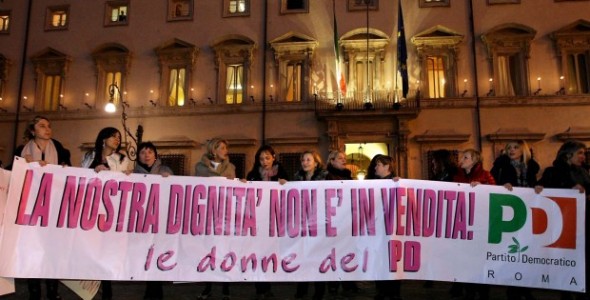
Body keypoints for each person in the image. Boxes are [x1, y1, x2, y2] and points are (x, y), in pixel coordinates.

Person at [16, 116, 70, 300]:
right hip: (30, 210)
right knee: (33, 250)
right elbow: (13, 175)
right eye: (42, 126)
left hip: (53, 209)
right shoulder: (21, 151)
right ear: (32, 131)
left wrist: (64, 167)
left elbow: (68, 170)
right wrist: (25, 164)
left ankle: (53, 292)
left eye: (49, 126)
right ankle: (34, 292)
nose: (47, 129)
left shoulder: (59, 149)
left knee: (52, 250)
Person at [81, 127, 131, 300]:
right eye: (113, 136)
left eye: (119, 137)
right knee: (92, 248)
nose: (117, 139)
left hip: (111, 211)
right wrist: (93, 171)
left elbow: (122, 181)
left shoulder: (121, 158)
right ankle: (91, 285)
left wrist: (126, 175)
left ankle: (106, 288)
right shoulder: (89, 156)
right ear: (103, 138)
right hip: (92, 209)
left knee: (107, 249)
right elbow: (81, 176)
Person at [538, 140, 590, 300]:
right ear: (568, 154)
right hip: (562, 224)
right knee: (565, 258)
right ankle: (566, 292)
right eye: (580, 153)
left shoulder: (583, 172)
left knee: (582, 258)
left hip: (582, 223)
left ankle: (581, 289)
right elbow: (543, 189)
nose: (583, 156)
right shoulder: (552, 172)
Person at [490, 140, 539, 300]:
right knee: (511, 249)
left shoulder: (531, 166)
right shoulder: (501, 166)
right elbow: (493, 183)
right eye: (508, 148)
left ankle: (524, 286)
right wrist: (502, 185)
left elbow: (533, 183)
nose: (511, 150)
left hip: (529, 210)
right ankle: (513, 286)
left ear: (523, 150)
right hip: (509, 211)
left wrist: (538, 187)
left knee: (526, 250)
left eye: (515, 147)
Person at [245, 145, 288, 299]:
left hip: (276, 222)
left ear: (273, 158)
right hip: (257, 221)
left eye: (267, 158)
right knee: (258, 254)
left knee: (271, 254)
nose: (264, 161)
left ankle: (267, 285)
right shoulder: (252, 175)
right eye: (261, 159)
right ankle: (260, 287)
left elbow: (292, 191)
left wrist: (285, 184)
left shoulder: (282, 174)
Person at [196, 138, 236, 300]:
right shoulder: (200, 168)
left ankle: (226, 288)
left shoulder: (231, 167)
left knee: (225, 251)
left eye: (226, 148)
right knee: (208, 252)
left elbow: (235, 189)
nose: (225, 150)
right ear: (213, 150)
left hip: (225, 216)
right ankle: (208, 287)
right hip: (208, 216)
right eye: (222, 148)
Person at [453, 148, 494, 300]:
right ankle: (469, 290)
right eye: (462, 157)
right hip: (464, 223)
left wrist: (483, 187)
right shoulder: (457, 176)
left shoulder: (485, 175)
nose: (461, 160)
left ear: (475, 160)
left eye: (465, 157)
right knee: (466, 259)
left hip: (480, 223)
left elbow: (495, 193)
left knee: (480, 258)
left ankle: (483, 291)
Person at [134, 142, 173, 300]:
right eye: (143, 152)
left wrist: (169, 180)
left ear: (155, 155)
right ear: (139, 156)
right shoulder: (134, 173)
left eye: (149, 151)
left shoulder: (165, 171)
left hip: (161, 221)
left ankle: (154, 292)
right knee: (146, 256)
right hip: (143, 222)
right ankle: (152, 290)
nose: (146, 154)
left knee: (157, 254)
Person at [293, 150, 328, 300]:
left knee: (318, 258)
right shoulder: (297, 177)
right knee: (303, 257)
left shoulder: (326, 177)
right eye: (303, 160)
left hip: (319, 224)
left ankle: (319, 291)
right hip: (302, 224)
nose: (305, 163)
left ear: (316, 162)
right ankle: (302, 290)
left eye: (308, 160)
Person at [324, 150, 360, 296]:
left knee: (348, 254)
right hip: (332, 223)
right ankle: (334, 284)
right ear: (332, 161)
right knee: (333, 254)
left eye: (344, 158)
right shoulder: (326, 177)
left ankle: (348, 283)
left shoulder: (349, 177)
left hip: (346, 223)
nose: (344, 160)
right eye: (340, 158)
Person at [369, 155, 403, 300]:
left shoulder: (397, 182)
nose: (375, 167)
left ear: (387, 167)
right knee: (379, 259)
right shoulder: (371, 183)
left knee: (393, 260)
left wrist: (400, 184)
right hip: (377, 229)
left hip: (392, 229)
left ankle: (394, 291)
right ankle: (381, 290)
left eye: (378, 165)